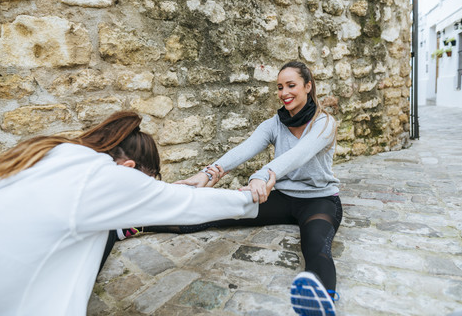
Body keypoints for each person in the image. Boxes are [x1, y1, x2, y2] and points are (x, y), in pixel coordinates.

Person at [0, 111, 275, 316]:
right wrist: (250, 196)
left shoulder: (56, 152)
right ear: (128, 167)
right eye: (148, 181)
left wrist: (156, 195)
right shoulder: (105, 178)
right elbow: (189, 203)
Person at [129, 61, 342, 315]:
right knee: (216, 213)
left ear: (308, 86)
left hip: (320, 200)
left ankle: (320, 301)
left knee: (316, 242)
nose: (284, 92)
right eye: (279, 87)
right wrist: (209, 173)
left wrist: (262, 175)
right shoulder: (274, 124)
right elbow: (244, 149)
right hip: (283, 197)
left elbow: (299, 154)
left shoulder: (325, 123)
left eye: (291, 85)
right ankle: (135, 223)